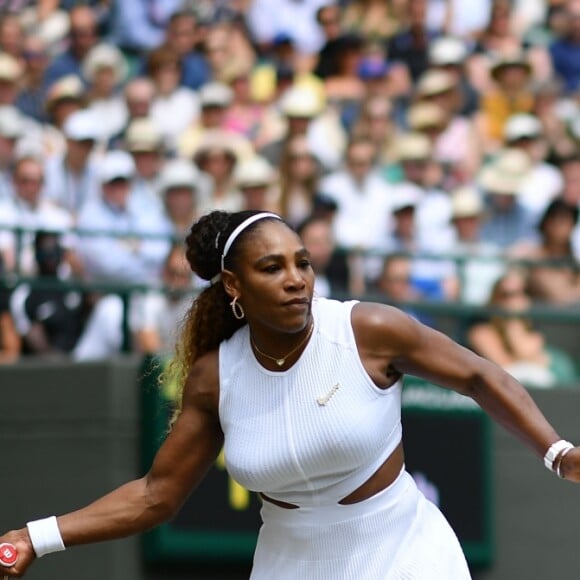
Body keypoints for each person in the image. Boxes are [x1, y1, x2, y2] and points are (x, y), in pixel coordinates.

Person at [1, 210, 579, 579]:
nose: (296, 279)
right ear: (234, 286)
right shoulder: (214, 377)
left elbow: (480, 375)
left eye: (302, 263)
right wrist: (37, 536)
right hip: (287, 561)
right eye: (272, 268)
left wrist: (557, 453)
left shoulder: (368, 330)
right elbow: (157, 494)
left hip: (404, 551)